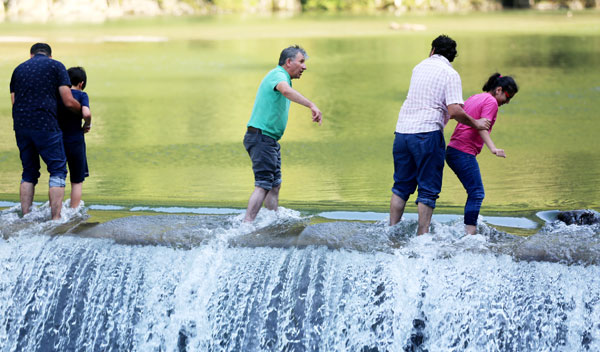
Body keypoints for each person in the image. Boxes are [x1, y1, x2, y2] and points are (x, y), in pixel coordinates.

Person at [389, 35, 491, 235]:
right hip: (426, 134)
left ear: (432, 50)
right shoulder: (449, 73)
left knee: (401, 185)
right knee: (428, 188)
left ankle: (391, 231)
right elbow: (454, 110)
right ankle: (422, 236)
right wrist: (476, 122)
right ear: (452, 56)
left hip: (402, 132)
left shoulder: (418, 67)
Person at [243, 45, 323, 222]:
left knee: (274, 185)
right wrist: (311, 105)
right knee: (263, 184)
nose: (304, 67)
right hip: (261, 138)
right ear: (289, 62)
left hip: (268, 139)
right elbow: (285, 91)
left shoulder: (282, 77)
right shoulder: (278, 75)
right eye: (301, 62)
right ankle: (246, 224)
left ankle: (272, 221)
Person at [10, 43, 82, 220]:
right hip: (46, 125)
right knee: (57, 170)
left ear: (31, 55)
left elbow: (14, 102)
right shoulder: (56, 66)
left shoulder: (18, 69)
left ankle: (26, 216)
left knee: (29, 171)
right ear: (50, 56)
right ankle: (55, 219)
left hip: (21, 125)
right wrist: (83, 112)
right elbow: (67, 100)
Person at [445, 73, 519, 235]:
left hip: (453, 150)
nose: (507, 102)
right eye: (507, 97)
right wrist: (493, 148)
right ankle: (470, 234)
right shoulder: (491, 102)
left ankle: (468, 230)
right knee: (477, 193)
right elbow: (481, 127)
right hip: (462, 152)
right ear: (498, 90)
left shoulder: (476, 97)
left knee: (475, 192)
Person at [57, 67, 92, 209]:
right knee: (77, 181)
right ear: (81, 83)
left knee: (58, 177)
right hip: (76, 141)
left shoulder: (59, 96)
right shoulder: (81, 95)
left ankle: (56, 210)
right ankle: (73, 211)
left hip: (58, 140)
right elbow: (87, 113)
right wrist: (87, 124)